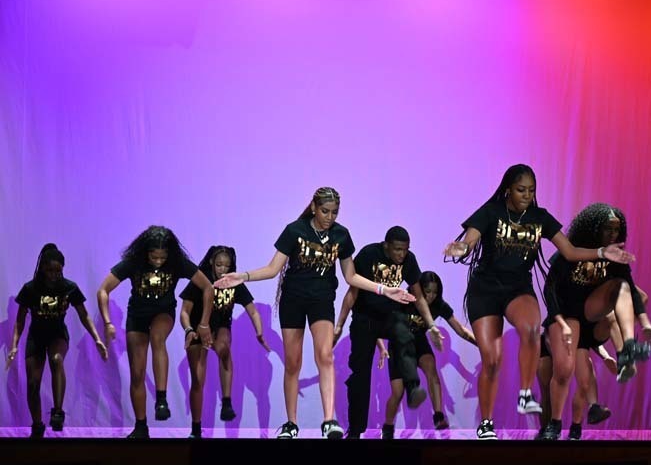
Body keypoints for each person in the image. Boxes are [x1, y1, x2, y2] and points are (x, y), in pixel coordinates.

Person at [443, 164, 635, 440]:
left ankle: (524, 395)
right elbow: (470, 239)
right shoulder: (492, 212)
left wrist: (603, 251)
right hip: (484, 292)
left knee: (532, 327)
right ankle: (486, 423)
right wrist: (461, 247)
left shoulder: (539, 217)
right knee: (492, 361)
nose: (526, 195)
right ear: (508, 189)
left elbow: (569, 251)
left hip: (517, 289)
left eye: (531, 191)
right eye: (521, 190)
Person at [214, 187, 415, 440]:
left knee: (325, 355)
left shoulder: (341, 235)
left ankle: (329, 421)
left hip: (322, 300)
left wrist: (384, 289)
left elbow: (350, 276)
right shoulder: (294, 231)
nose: (330, 217)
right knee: (293, 362)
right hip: (293, 300)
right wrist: (241, 276)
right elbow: (273, 269)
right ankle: (291, 423)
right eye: (325, 211)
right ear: (313, 207)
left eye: (334, 212)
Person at [539, 203, 651, 440]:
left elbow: (633, 294)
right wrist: (560, 321)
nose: (613, 234)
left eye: (617, 229)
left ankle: (627, 348)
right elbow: (550, 290)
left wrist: (646, 323)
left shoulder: (616, 257)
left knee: (622, 286)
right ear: (593, 227)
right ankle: (555, 424)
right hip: (568, 315)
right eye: (608, 228)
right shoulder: (569, 252)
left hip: (592, 318)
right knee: (565, 373)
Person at [97, 225, 214, 439]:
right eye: (154, 257)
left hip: (163, 313)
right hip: (137, 317)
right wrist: (107, 322)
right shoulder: (134, 263)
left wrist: (204, 322)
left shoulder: (177, 263)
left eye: (162, 257)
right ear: (145, 252)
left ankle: (161, 399)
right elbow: (103, 290)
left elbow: (208, 287)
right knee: (137, 373)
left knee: (158, 338)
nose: (159, 261)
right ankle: (141, 426)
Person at [335, 226, 443, 439]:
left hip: (389, 316)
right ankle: (355, 430)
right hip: (365, 318)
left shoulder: (409, 260)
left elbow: (419, 297)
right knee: (360, 373)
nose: (401, 255)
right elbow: (352, 291)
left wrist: (431, 325)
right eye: (397, 250)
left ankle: (413, 388)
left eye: (405, 250)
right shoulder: (368, 254)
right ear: (386, 246)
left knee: (404, 333)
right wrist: (339, 324)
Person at [6, 244, 108, 438]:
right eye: (50, 270)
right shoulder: (31, 288)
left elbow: (84, 315)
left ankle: (58, 412)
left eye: (58, 271)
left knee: (56, 359)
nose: (54, 275)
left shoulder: (69, 287)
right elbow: (19, 321)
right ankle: (37, 425)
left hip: (58, 334)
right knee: (33, 383)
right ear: (43, 268)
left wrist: (97, 339)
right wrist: (13, 346)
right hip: (36, 337)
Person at [369, 271, 477, 439]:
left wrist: (481, 344)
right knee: (397, 393)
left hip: (419, 343)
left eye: (435, 292)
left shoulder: (439, 305)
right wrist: (382, 348)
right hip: (399, 346)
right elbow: (376, 325)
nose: (431, 296)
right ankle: (388, 426)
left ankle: (439, 416)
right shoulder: (403, 299)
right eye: (428, 291)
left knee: (431, 370)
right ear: (419, 289)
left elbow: (461, 330)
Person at [179, 245, 269, 439]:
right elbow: (184, 311)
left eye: (227, 265)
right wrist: (189, 330)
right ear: (211, 262)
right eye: (219, 264)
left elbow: (252, 310)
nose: (223, 269)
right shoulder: (200, 280)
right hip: (197, 329)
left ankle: (226, 402)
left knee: (224, 348)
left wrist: (260, 332)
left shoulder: (233, 282)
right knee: (197, 380)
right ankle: (196, 428)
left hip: (220, 326)